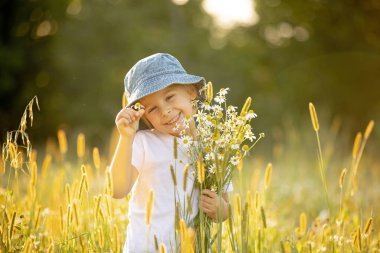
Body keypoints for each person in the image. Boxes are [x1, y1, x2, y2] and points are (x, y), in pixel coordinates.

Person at [110, 53, 232, 253]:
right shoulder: (143, 143)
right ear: (144, 116)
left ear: (191, 91)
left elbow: (225, 208)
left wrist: (220, 209)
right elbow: (117, 190)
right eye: (152, 109)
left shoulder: (213, 147)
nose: (165, 111)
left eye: (169, 97)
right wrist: (125, 138)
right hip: (146, 248)